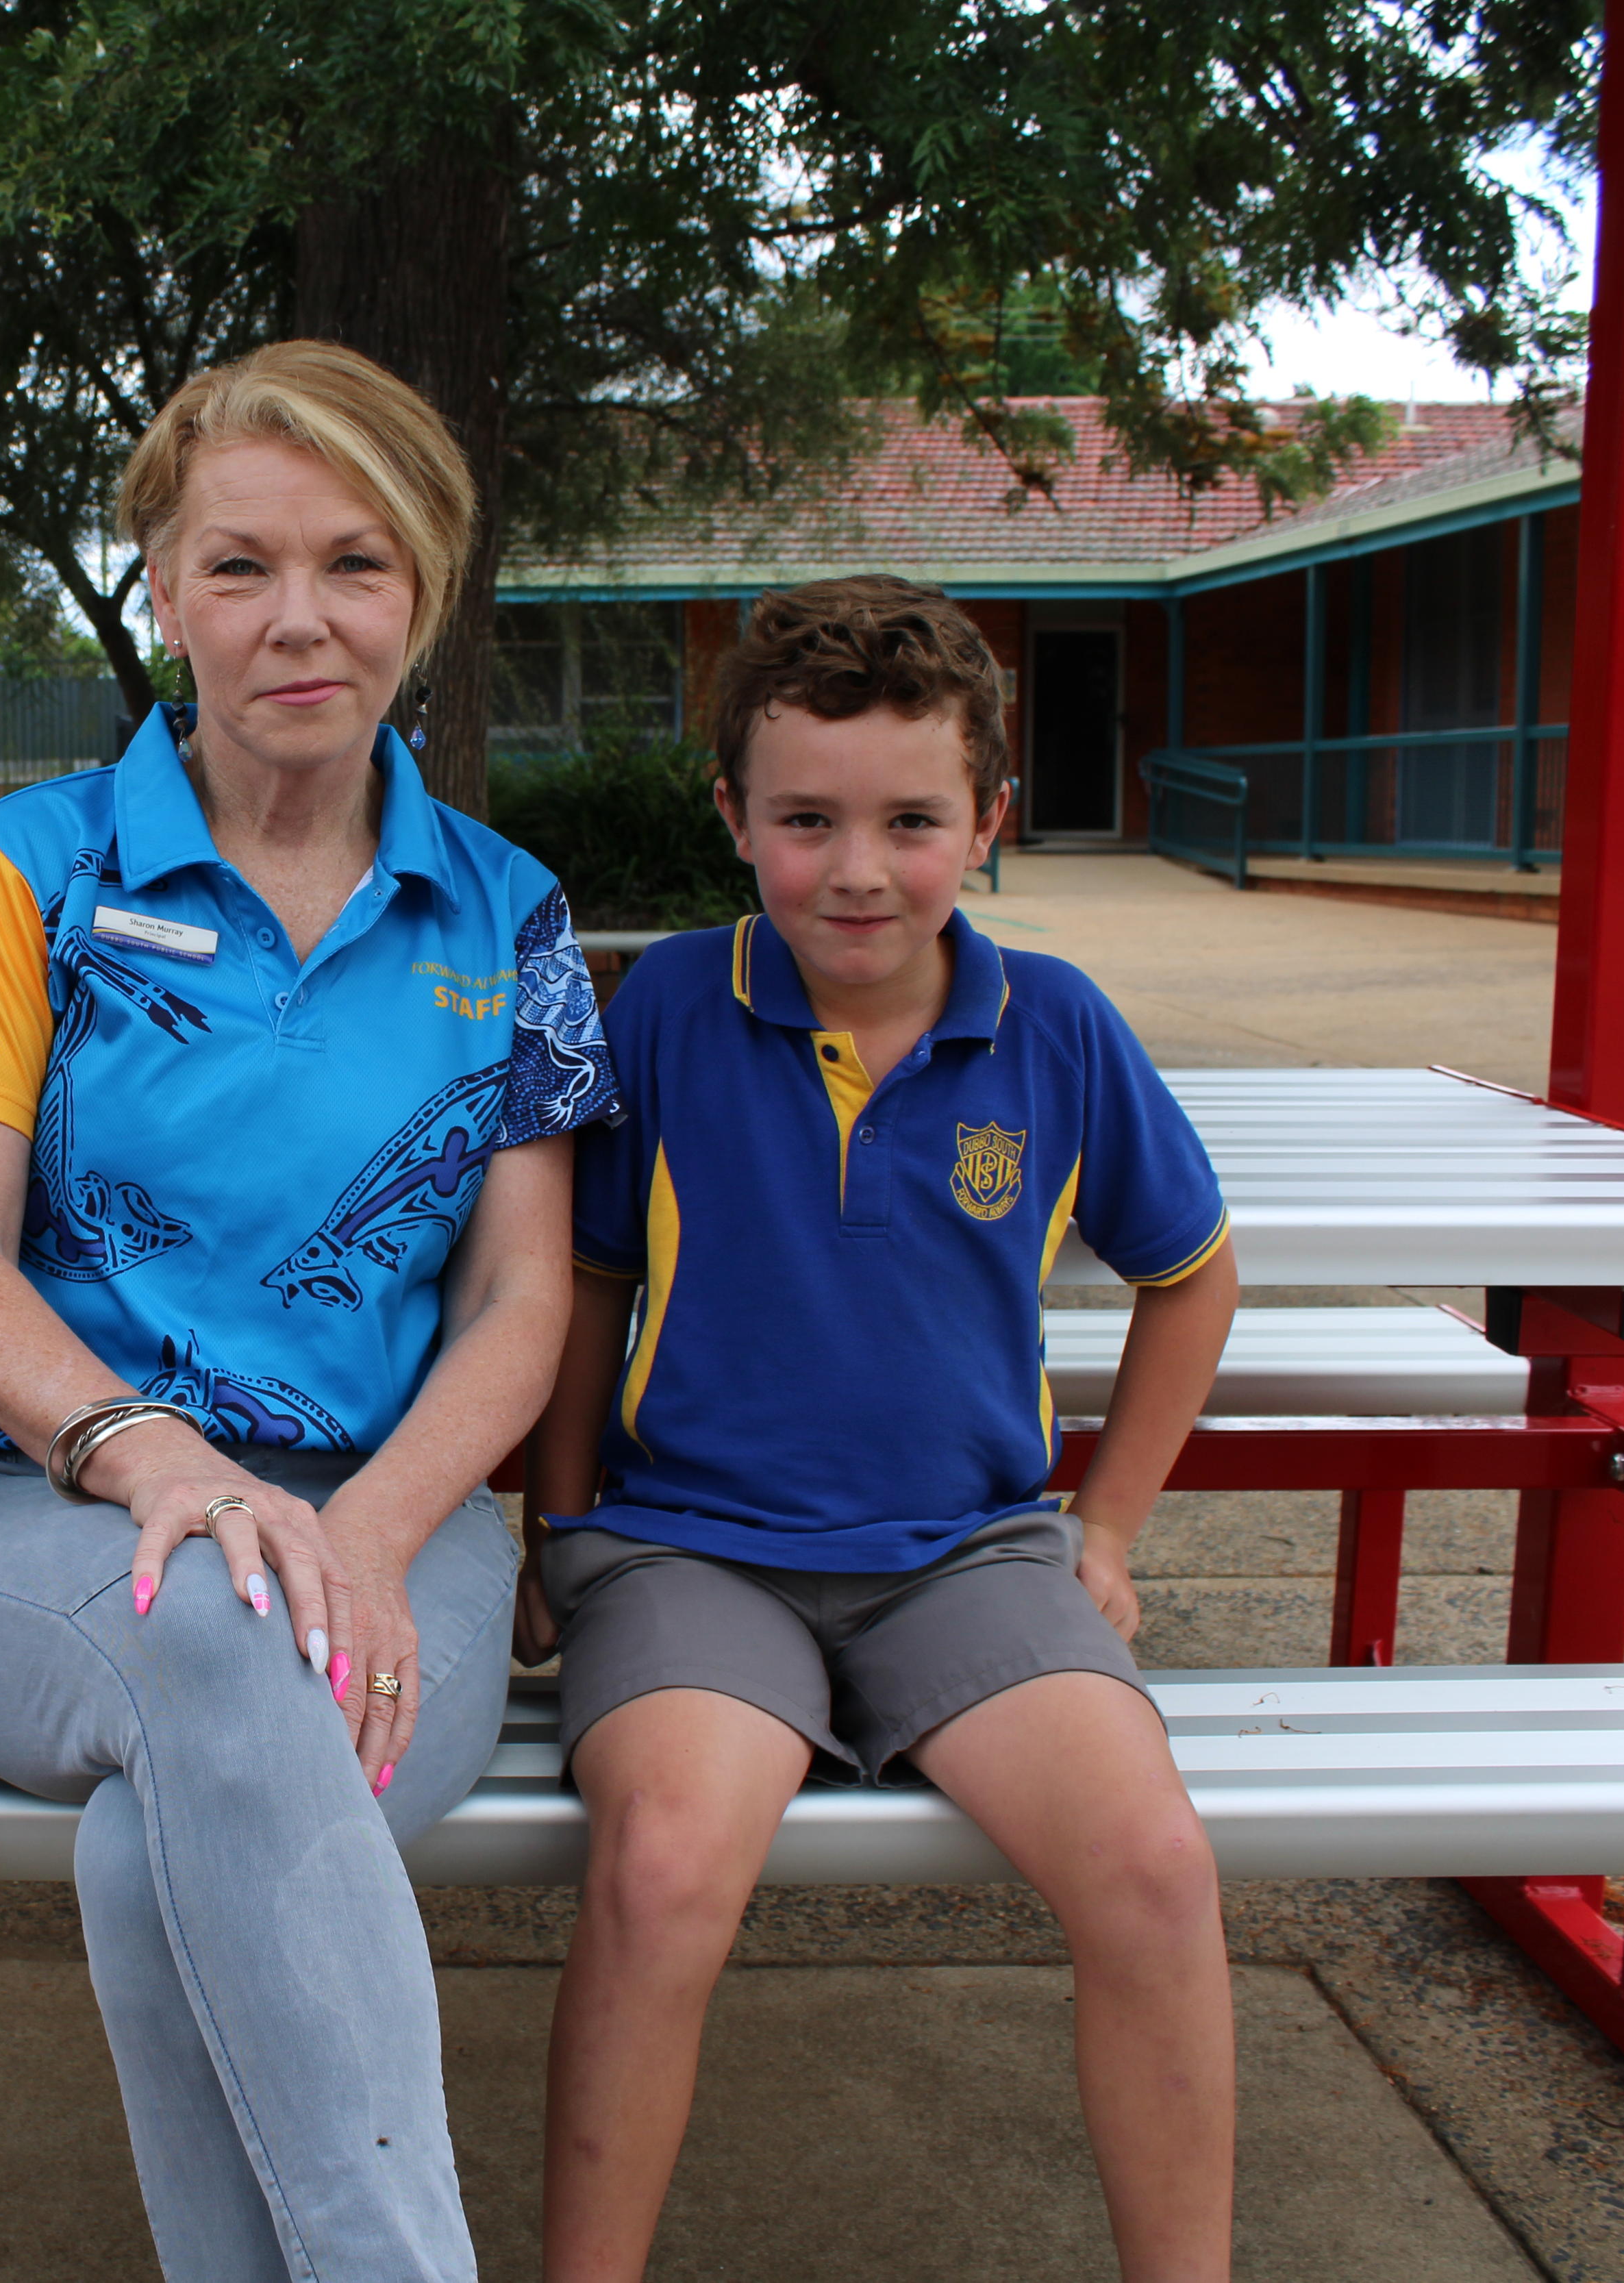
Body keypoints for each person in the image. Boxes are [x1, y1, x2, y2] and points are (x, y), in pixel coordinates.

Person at [0, 338, 616, 2280]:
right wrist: (162, 1465)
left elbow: (523, 1290)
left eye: (356, 562)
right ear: (165, 591)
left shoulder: (511, 911)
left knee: (165, 1836)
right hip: (46, 1515)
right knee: (211, 1619)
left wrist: (363, 1531)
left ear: (423, 591)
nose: (301, 617)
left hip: (399, 1526)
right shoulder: (29, 867)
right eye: (241, 564)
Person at [523, 576, 1242, 2283]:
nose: (857, 869)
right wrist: (551, 1529)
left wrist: (1107, 1526)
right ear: (733, 817)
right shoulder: (666, 1006)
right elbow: (587, 1287)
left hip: (966, 1555)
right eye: (806, 820)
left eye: (911, 820)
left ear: (987, 819)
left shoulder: (1056, 1024)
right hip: (692, 1552)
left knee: (1153, 1861)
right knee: (664, 1865)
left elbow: (1192, 1275)